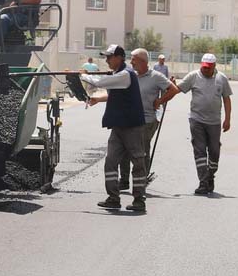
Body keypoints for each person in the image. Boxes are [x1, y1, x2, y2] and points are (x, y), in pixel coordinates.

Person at [76, 45, 148, 212]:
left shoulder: (125, 75)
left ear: (120, 57)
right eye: (106, 57)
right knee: (110, 162)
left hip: (131, 127)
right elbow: (114, 94)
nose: (107, 60)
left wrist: (83, 76)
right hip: (118, 127)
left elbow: (102, 82)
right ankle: (113, 198)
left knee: (137, 162)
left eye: (110, 57)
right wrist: (97, 99)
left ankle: (139, 199)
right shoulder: (118, 75)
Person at [108, 49, 179, 190]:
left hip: (148, 120)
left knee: (141, 151)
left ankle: (141, 182)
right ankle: (125, 180)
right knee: (124, 150)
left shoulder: (156, 76)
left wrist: (160, 100)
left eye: (134, 59)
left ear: (142, 61)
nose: (131, 62)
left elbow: (173, 89)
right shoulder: (131, 76)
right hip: (131, 120)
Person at [177, 53, 232, 195]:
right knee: (199, 150)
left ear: (214, 66)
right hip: (196, 120)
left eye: (209, 68)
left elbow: (226, 99)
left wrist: (227, 119)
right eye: (204, 67)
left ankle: (210, 176)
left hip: (214, 122)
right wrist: (165, 92)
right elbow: (177, 89)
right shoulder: (193, 76)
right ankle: (202, 181)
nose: (205, 70)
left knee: (214, 150)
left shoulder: (221, 78)